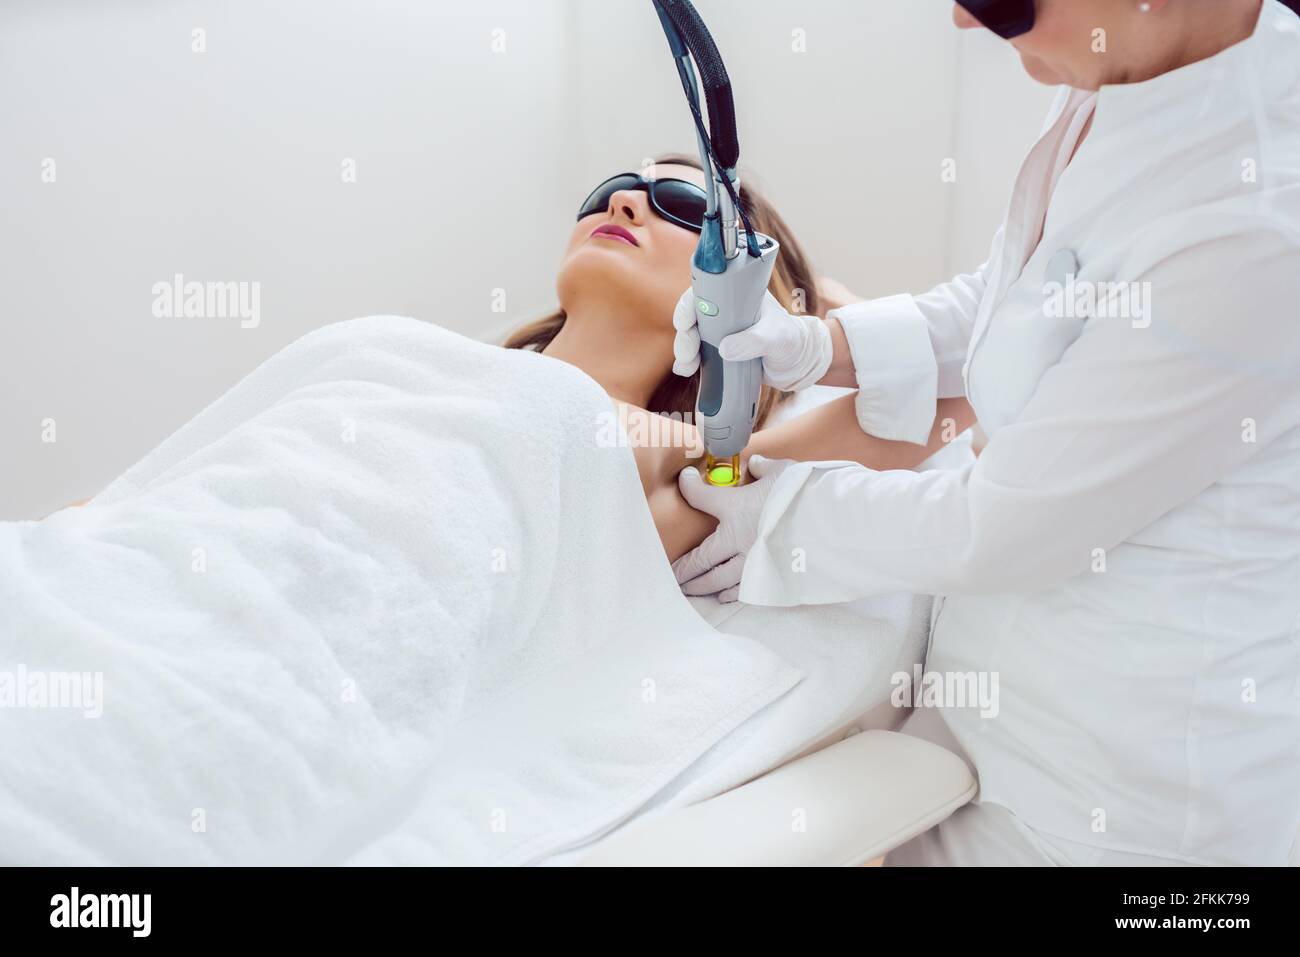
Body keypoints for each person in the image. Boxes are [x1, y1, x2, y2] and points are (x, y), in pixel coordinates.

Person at [671, 0, 1300, 865]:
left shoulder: (1263, 215)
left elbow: (1008, 528)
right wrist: (820, 347)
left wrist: (779, 518)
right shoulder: (1123, 68)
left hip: (1134, 807)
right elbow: (1027, 299)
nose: (968, 26)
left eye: (1002, 2)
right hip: (971, 735)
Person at [506, 154, 972, 562]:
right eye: (605, 193)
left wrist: (822, 311)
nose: (622, 203)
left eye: (686, 205)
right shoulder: (453, 365)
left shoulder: (686, 480)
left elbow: (963, 377)